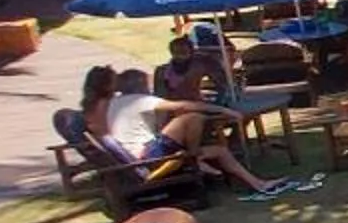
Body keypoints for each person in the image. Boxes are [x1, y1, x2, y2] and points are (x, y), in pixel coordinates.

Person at [94, 66, 307, 199]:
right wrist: (224, 110)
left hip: (140, 156)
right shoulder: (141, 101)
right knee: (192, 118)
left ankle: (259, 184)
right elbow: (186, 106)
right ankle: (193, 157)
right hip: (145, 158)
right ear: (140, 85)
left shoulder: (114, 103)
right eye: (147, 84)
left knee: (220, 150)